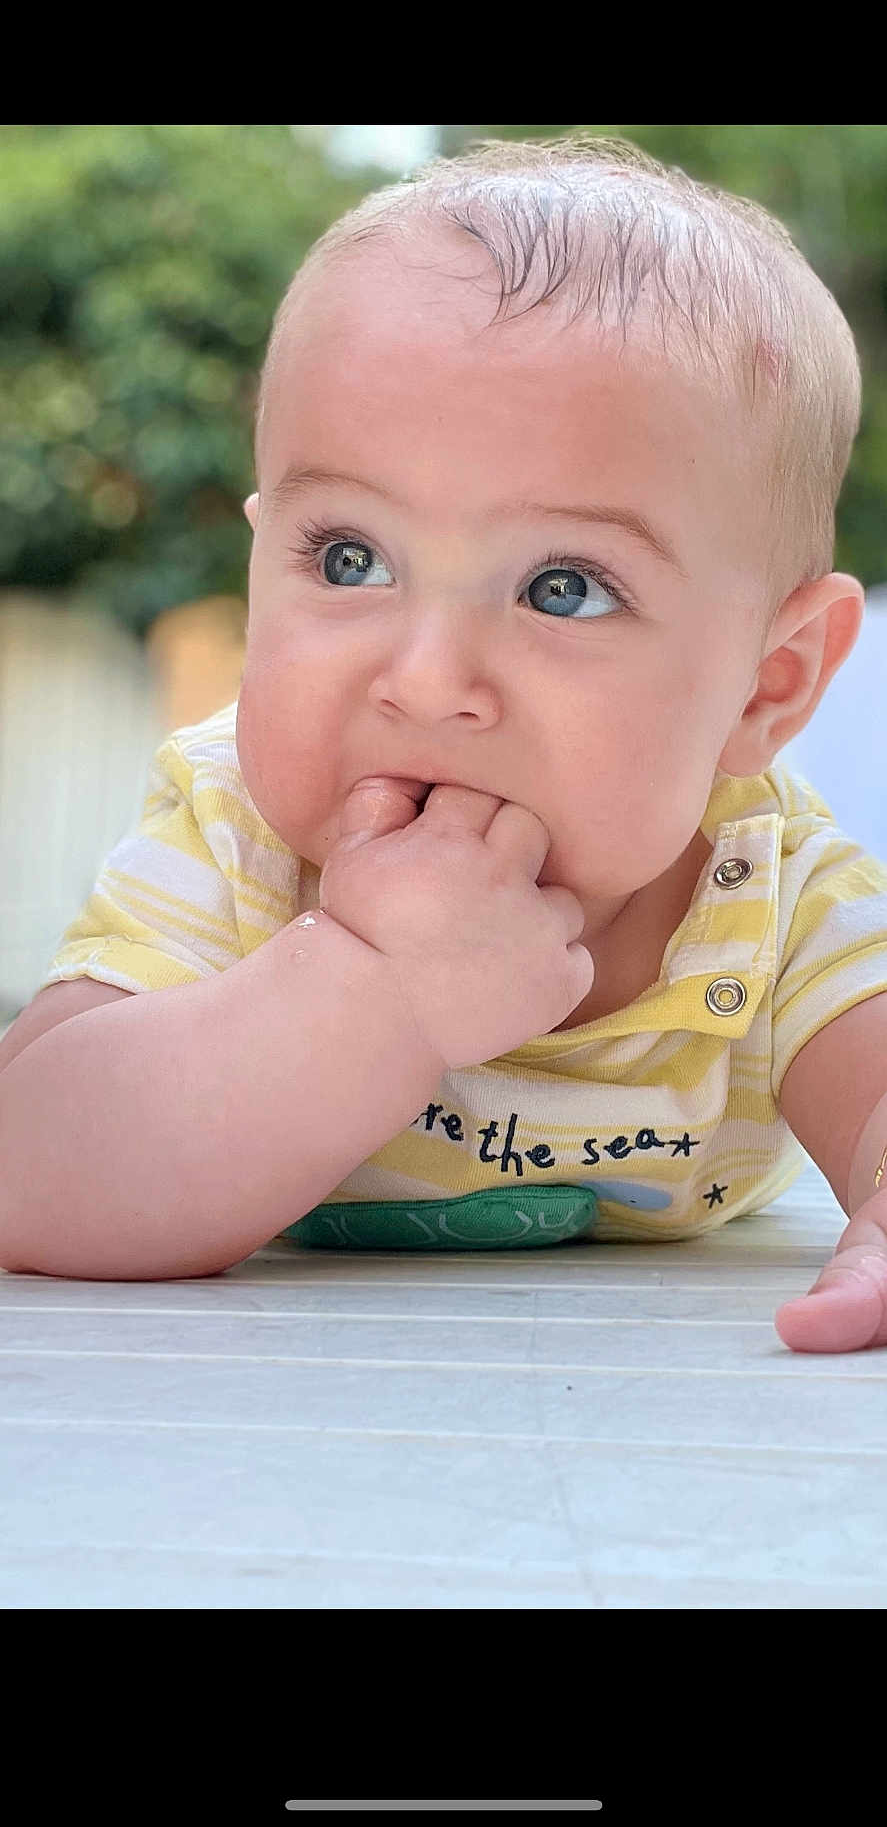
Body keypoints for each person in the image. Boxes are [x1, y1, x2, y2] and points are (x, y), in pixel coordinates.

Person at [3, 134, 887, 1355]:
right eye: (348, 558)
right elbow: (35, 1172)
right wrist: (374, 988)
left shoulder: (765, 884)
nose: (425, 683)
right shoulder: (235, 839)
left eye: (563, 587)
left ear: (765, 684)